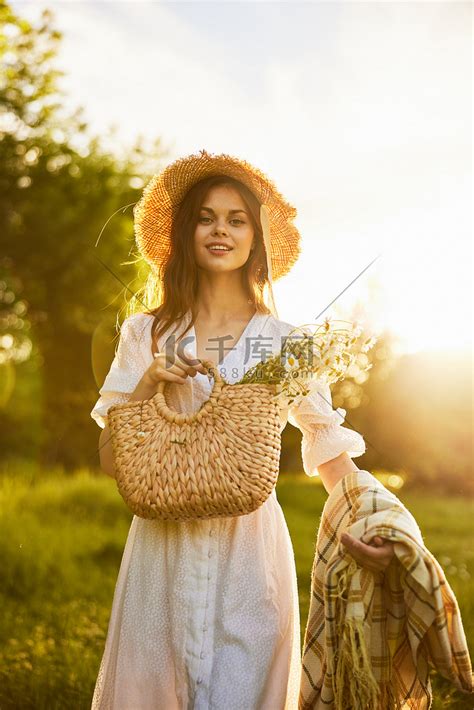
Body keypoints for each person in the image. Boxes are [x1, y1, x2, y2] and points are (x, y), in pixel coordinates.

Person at [90, 149, 394, 710]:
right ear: (185, 232)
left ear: (257, 237)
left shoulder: (283, 340)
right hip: (162, 553)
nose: (220, 230)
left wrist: (375, 522)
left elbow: (328, 450)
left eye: (237, 219)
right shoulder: (146, 333)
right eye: (206, 217)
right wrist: (146, 387)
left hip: (250, 556)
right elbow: (111, 460)